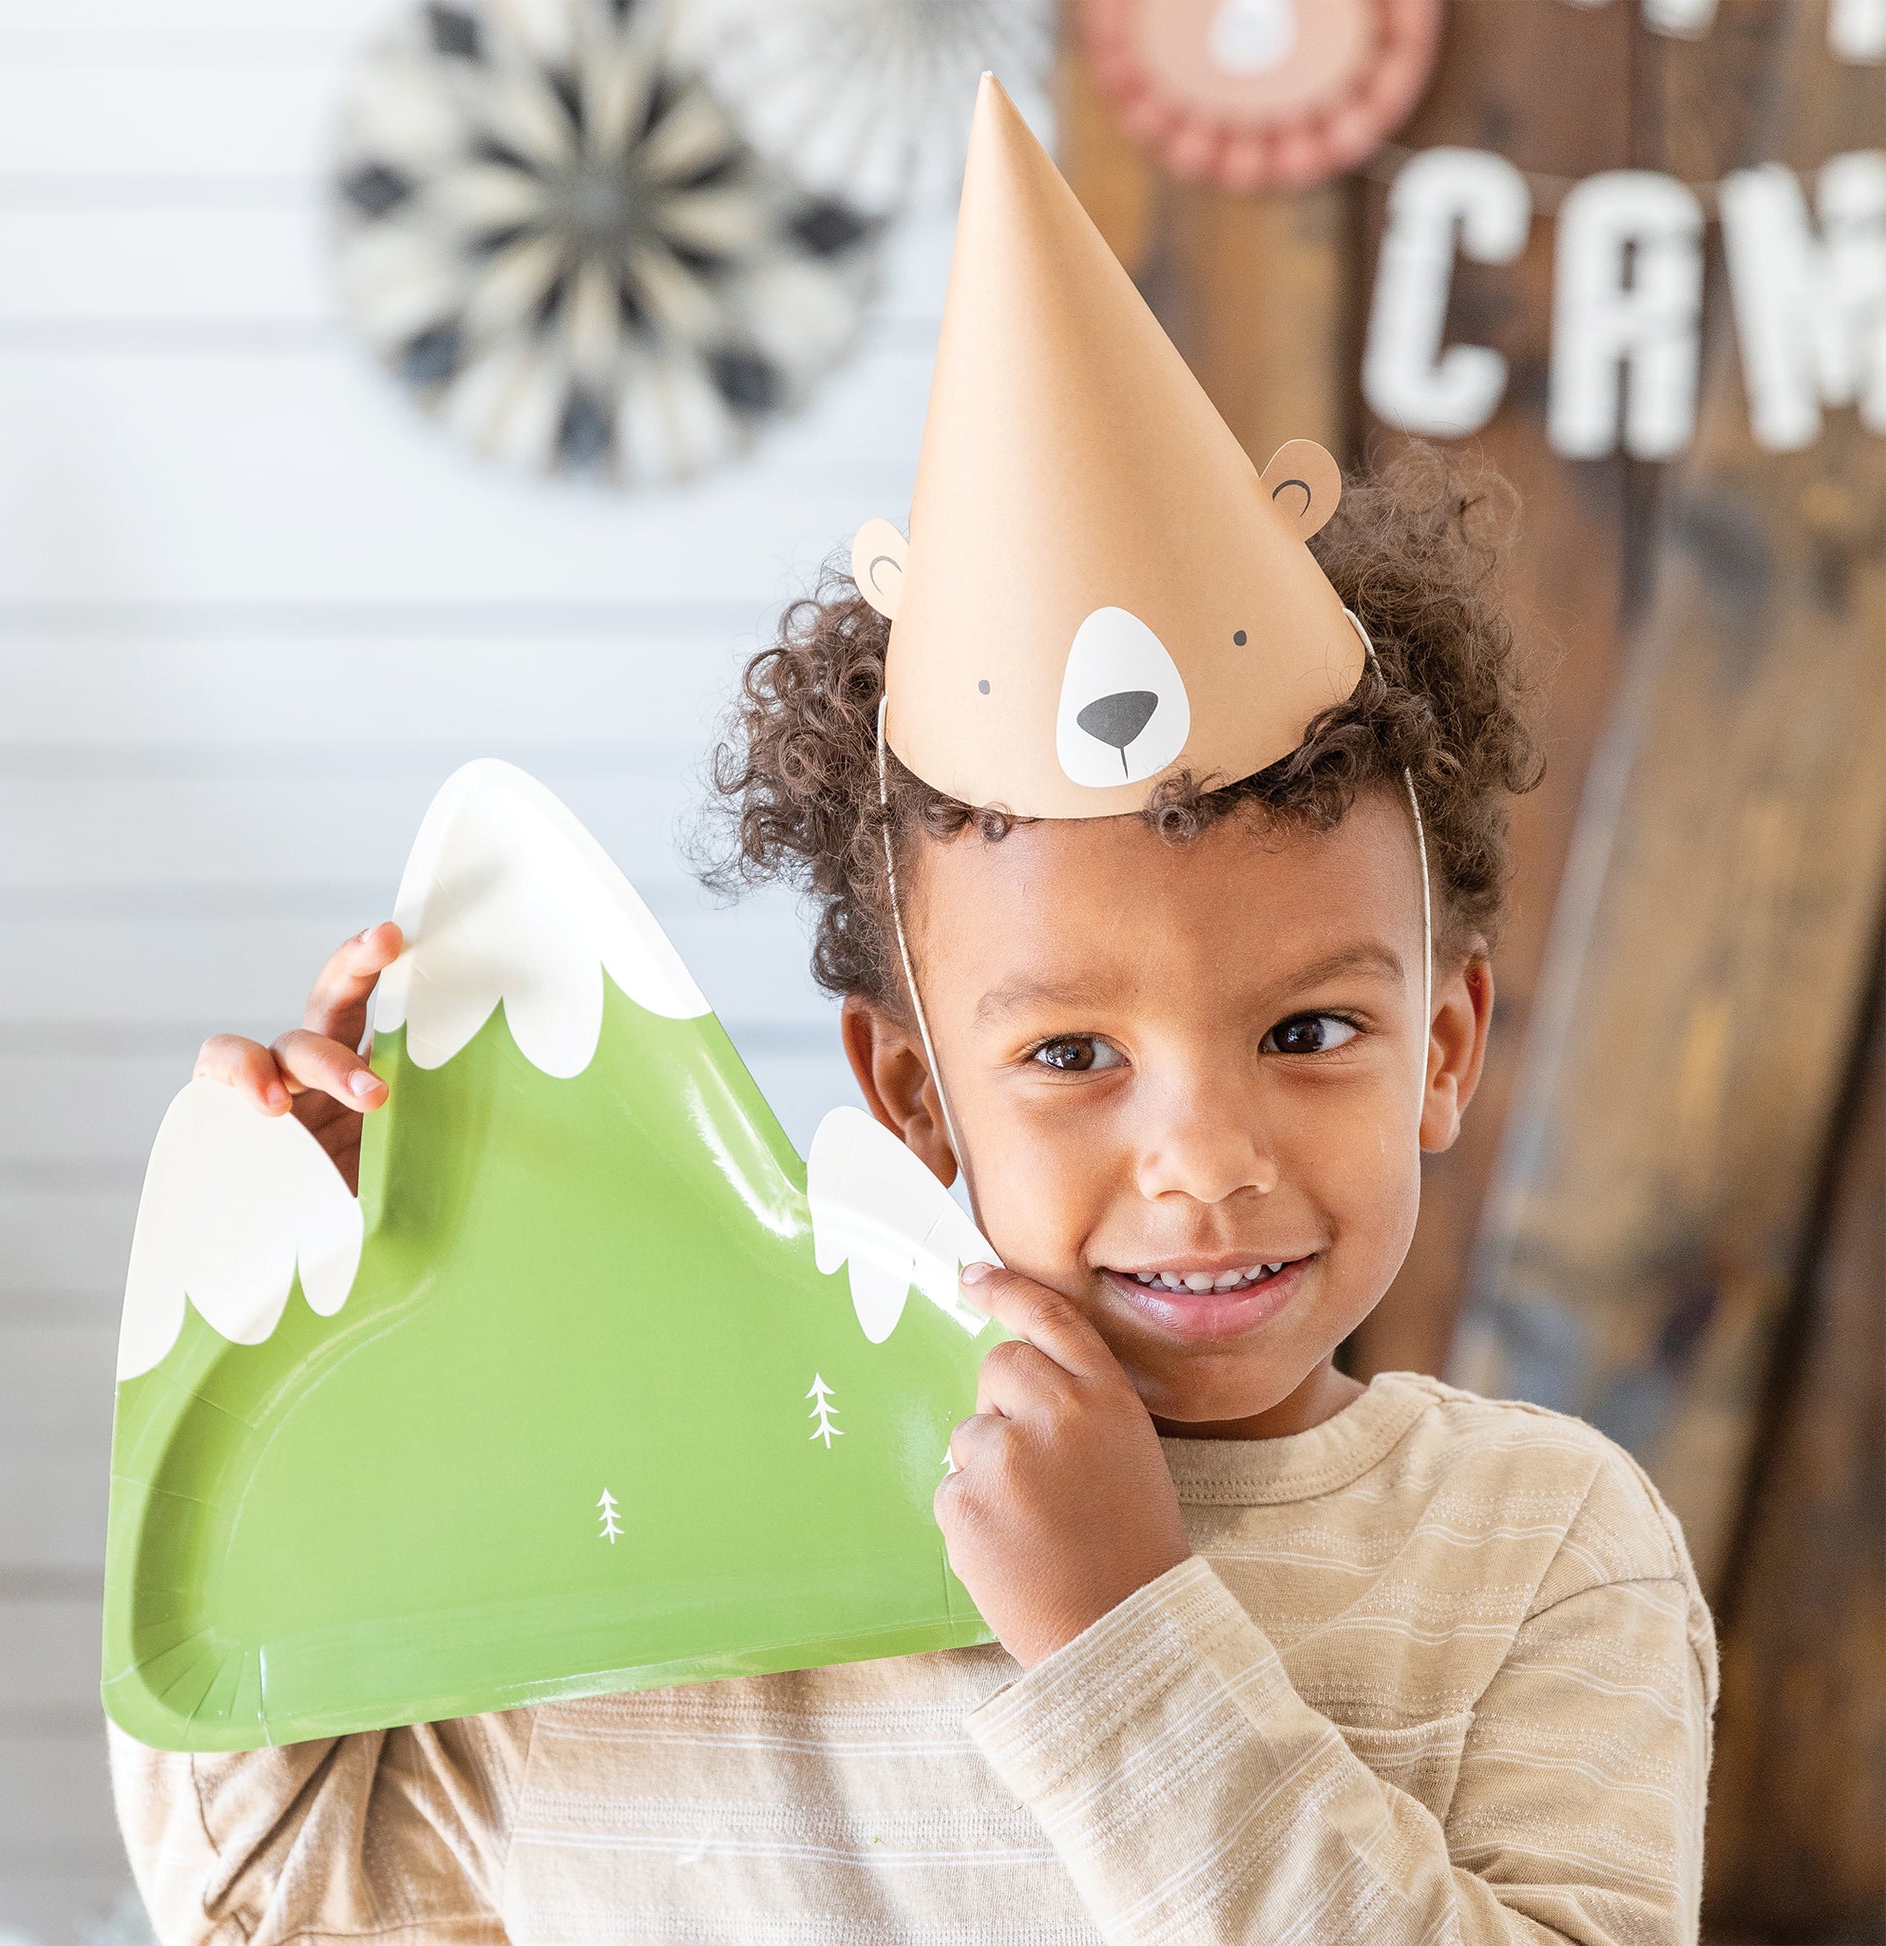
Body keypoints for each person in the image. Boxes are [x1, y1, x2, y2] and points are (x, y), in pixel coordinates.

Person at [109, 77, 1716, 1946]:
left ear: (1440, 1045)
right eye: (1067, 1055)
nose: (1200, 1160)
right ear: (913, 1095)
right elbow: (280, 1900)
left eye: (1306, 1032)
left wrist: (1124, 1637)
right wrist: (322, 1365)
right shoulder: (657, 1503)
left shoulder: (1537, 1555)